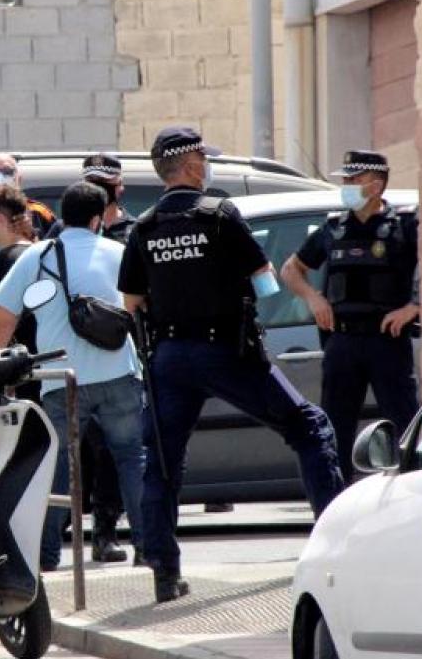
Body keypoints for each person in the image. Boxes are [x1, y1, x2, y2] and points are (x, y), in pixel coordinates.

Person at [118, 127, 344, 603]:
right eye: (203, 159)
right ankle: (334, 546)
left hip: (169, 357)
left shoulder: (144, 227)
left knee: (162, 462)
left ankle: (164, 573)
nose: (207, 166)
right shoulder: (220, 215)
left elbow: (131, 303)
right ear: (191, 166)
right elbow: (266, 284)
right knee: (310, 427)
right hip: (227, 351)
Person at [0, 182, 145, 573]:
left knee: (57, 465)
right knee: (131, 460)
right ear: (98, 218)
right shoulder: (118, 252)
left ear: (62, 215)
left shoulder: (39, 255)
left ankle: (46, 555)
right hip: (118, 372)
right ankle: (150, 548)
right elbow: (139, 305)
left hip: (61, 378)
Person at [280, 150, 420, 482]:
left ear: (376, 185)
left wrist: (414, 307)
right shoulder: (333, 228)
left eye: (354, 179)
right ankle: (335, 494)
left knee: (404, 424)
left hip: (386, 341)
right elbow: (290, 270)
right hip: (342, 341)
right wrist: (314, 298)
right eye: (345, 179)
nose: (347, 185)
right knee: (335, 428)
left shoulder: (404, 226)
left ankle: (411, 488)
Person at [45, 152, 135, 562]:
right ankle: (57, 537)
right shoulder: (59, 236)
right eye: (91, 182)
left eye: (105, 183)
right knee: (70, 456)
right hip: (72, 362)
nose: (98, 189)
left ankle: (105, 532)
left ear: (119, 188)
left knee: (113, 455)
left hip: (117, 358)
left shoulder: (131, 233)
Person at [0, 183, 40, 402]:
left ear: (0, 220)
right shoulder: (34, 250)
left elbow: (4, 321)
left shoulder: (8, 257)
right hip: (42, 359)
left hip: (25, 366)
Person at [46, 152, 136, 244]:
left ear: (120, 185)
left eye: (103, 180)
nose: (95, 187)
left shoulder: (134, 230)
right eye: (90, 181)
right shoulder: (64, 228)